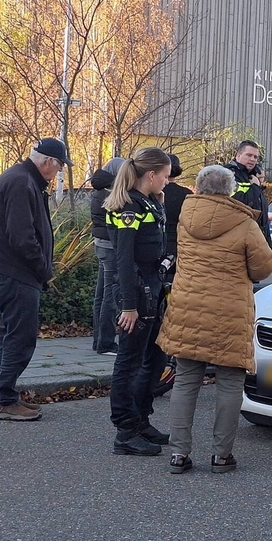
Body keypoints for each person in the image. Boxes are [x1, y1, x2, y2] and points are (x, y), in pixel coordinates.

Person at [157, 165, 272, 474]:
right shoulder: (244, 222)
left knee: (185, 380)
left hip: (187, 305)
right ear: (230, 190)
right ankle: (222, 455)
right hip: (229, 310)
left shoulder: (185, 216)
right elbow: (264, 268)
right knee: (229, 381)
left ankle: (179, 454)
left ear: (199, 187)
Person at [0, 137, 71, 422]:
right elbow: (22, 237)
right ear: (48, 162)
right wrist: (43, 268)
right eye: (58, 167)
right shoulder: (22, 183)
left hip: (9, 271)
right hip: (15, 273)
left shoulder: (22, 179)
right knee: (19, 338)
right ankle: (6, 400)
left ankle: (5, 397)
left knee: (11, 335)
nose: (57, 172)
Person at [105, 147, 173, 456]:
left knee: (155, 359)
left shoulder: (150, 203)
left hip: (154, 288)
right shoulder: (128, 207)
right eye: (165, 176)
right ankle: (125, 431)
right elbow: (123, 259)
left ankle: (141, 418)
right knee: (129, 362)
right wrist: (130, 306)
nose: (167, 182)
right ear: (151, 175)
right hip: (136, 292)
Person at [153, 153, 193, 397]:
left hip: (155, 251)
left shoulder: (151, 193)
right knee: (174, 302)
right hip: (176, 252)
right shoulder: (185, 195)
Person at [89, 157, 124, 355]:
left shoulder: (99, 188)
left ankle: (98, 340)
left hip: (100, 244)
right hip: (111, 246)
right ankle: (106, 343)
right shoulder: (112, 191)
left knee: (101, 295)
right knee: (110, 297)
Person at [225, 140, 272, 249]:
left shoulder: (253, 177)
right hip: (238, 239)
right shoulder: (229, 175)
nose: (252, 159)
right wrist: (255, 187)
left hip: (257, 239)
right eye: (249, 155)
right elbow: (239, 203)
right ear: (238, 155)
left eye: (255, 157)